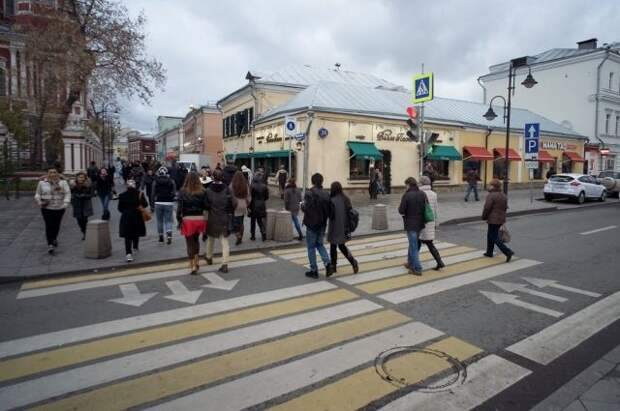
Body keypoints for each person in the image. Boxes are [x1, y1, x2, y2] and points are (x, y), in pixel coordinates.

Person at [302, 173, 334, 278]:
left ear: (312, 181)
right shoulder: (326, 194)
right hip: (322, 224)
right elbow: (330, 210)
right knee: (320, 245)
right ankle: (328, 264)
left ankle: (314, 270)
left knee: (311, 247)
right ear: (321, 181)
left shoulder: (309, 193)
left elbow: (306, 208)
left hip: (311, 224)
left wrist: (302, 206)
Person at [177, 172, 209, 274]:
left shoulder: (182, 191)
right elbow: (206, 206)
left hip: (188, 220)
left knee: (189, 242)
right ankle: (197, 261)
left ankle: (193, 265)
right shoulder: (203, 191)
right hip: (199, 219)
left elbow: (179, 208)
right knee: (196, 240)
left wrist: (179, 220)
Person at [34, 168, 71, 254]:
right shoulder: (42, 183)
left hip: (59, 207)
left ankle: (54, 238)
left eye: (54, 172)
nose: (53, 174)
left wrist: (66, 203)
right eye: (50, 172)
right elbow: (38, 194)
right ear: (47, 174)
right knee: (49, 225)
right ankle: (50, 244)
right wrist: (39, 201)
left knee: (56, 225)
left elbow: (67, 193)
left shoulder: (63, 182)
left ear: (58, 173)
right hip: (46, 207)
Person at [205, 169, 233, 273]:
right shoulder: (226, 189)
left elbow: (206, 205)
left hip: (212, 218)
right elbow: (231, 204)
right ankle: (224, 264)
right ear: (222, 177)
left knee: (210, 239)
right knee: (224, 241)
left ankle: (209, 257)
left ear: (213, 177)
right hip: (223, 217)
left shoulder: (208, 190)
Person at [327, 181, 359, 273]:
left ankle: (333, 266)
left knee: (333, 246)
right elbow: (350, 213)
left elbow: (330, 214)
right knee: (342, 246)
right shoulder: (346, 199)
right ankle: (353, 262)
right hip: (344, 227)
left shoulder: (331, 200)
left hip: (334, 227)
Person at [398, 177, 426, 275]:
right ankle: (410, 263)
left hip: (410, 224)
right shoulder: (422, 194)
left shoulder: (407, 195)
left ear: (408, 184)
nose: (405, 187)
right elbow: (425, 208)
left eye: (406, 185)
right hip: (420, 223)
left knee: (413, 246)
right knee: (413, 244)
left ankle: (417, 268)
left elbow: (401, 210)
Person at [482, 179, 514, 262]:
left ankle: (508, 251)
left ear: (493, 186)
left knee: (493, 236)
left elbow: (487, 208)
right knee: (490, 235)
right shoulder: (503, 195)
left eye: (490, 185)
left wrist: (484, 216)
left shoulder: (491, 195)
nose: (488, 186)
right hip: (500, 219)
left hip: (493, 219)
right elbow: (505, 207)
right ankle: (489, 252)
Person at [418, 175, 445, 270]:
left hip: (421, 222)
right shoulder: (434, 194)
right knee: (427, 243)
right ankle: (439, 262)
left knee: (418, 243)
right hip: (430, 222)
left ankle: (413, 261)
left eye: (419, 182)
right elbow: (436, 210)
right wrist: (436, 223)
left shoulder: (419, 193)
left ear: (421, 183)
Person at [118, 179, 148, 262]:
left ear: (127, 186)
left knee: (127, 235)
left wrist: (125, 211)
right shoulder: (139, 194)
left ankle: (128, 253)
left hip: (126, 216)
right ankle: (135, 246)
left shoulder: (122, 195)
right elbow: (145, 204)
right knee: (136, 231)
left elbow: (120, 208)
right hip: (137, 215)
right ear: (135, 186)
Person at [152, 166, 177, 245]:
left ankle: (161, 237)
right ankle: (169, 235)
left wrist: (152, 204)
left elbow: (153, 193)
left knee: (159, 221)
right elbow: (174, 192)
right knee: (168, 220)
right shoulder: (171, 181)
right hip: (169, 202)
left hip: (158, 202)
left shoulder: (155, 181)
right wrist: (172, 197)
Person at [70, 172, 94, 240]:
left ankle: (85, 233)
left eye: (82, 177)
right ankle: (83, 231)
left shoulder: (88, 185)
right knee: (79, 220)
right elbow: (70, 194)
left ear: (85, 178)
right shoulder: (73, 186)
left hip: (85, 204)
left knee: (84, 220)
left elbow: (91, 194)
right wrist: (73, 198)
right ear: (77, 178)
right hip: (77, 204)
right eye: (80, 177)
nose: (81, 178)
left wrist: (84, 195)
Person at [231, 170, 251, 246]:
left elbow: (230, 195)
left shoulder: (232, 184)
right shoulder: (245, 184)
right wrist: (247, 204)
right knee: (241, 222)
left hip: (236, 205)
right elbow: (249, 196)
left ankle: (238, 236)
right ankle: (241, 238)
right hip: (243, 205)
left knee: (235, 223)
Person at [249, 172, 269, 241]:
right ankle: (263, 232)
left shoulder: (252, 186)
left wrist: (248, 206)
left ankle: (253, 236)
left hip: (253, 205)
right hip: (262, 205)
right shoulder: (264, 186)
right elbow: (267, 197)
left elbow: (250, 197)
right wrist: (262, 200)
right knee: (260, 220)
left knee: (253, 221)